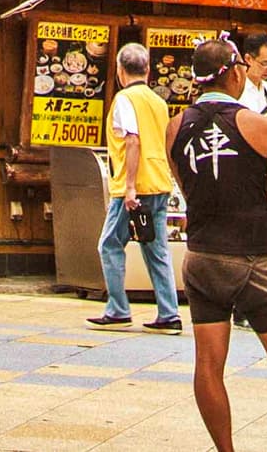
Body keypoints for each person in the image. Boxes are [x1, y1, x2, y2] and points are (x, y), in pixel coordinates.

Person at [168, 39, 267, 452]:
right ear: (236, 73)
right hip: (253, 256)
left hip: (201, 254)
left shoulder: (175, 126)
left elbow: (184, 187)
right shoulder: (260, 126)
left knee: (208, 364)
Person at [91, 42, 183, 330]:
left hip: (135, 185)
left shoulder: (124, 99)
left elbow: (132, 140)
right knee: (156, 250)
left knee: (109, 244)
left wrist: (129, 187)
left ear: (120, 70)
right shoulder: (159, 101)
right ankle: (169, 313)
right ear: (147, 69)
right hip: (159, 181)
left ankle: (118, 308)